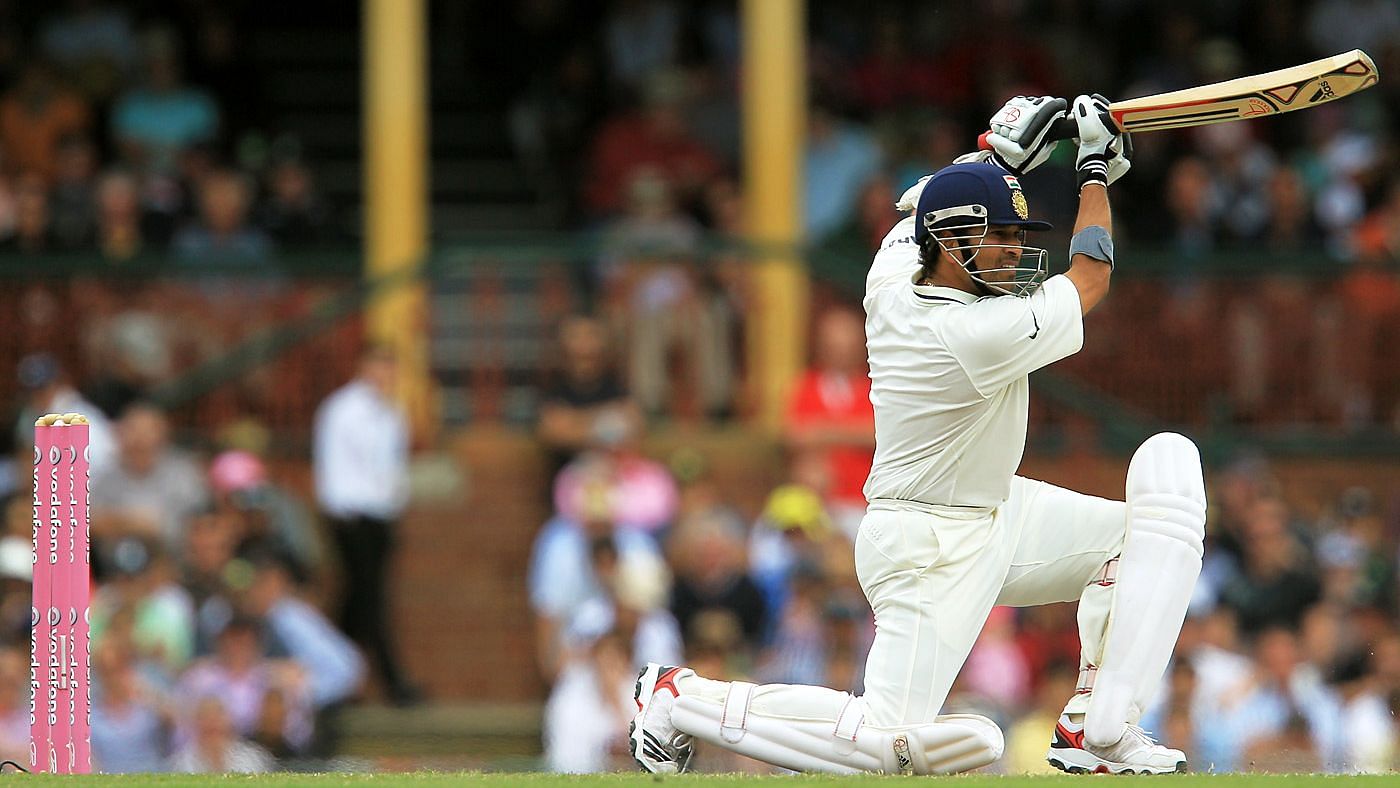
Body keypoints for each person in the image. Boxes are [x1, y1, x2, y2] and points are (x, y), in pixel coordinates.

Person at [629, 95, 1207, 775]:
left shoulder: (896, 264)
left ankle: (1096, 729)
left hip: (999, 511)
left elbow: (926, 199)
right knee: (885, 744)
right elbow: (1089, 279)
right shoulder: (969, 333)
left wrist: (1001, 150)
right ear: (956, 242)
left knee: (1146, 534)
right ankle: (677, 699)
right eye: (1004, 238)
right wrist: (1092, 174)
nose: (1020, 253)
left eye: (1022, 238)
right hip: (927, 543)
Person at [312, 344, 421, 705]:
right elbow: (333, 467)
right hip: (352, 516)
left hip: (380, 516)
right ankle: (393, 681)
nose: (384, 375)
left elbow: (390, 469)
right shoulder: (341, 409)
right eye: (378, 366)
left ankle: (336, 676)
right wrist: (339, 512)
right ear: (363, 366)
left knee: (357, 602)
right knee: (372, 600)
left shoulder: (392, 413)